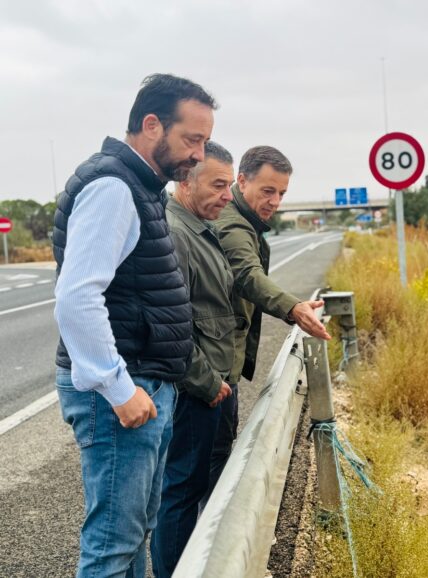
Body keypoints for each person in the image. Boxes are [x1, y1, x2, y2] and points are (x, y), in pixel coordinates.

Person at [52, 73, 216, 578]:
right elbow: (77, 297)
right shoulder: (113, 187)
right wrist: (119, 388)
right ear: (151, 125)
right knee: (112, 546)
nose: (199, 154)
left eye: (204, 142)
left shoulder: (139, 187)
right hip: (123, 391)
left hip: (143, 382)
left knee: (130, 537)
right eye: (193, 139)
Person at [211, 145, 330, 488]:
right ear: (242, 181)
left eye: (281, 193)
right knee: (205, 468)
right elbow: (248, 276)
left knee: (212, 461)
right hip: (215, 363)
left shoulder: (244, 220)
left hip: (220, 358)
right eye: (267, 191)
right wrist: (293, 308)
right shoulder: (233, 224)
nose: (275, 201)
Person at [150, 141, 237, 577]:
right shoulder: (177, 234)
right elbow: (173, 324)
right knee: (182, 491)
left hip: (211, 385)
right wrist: (207, 382)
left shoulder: (201, 227)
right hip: (195, 390)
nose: (228, 195)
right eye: (218, 185)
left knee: (193, 485)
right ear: (185, 181)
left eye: (230, 186)